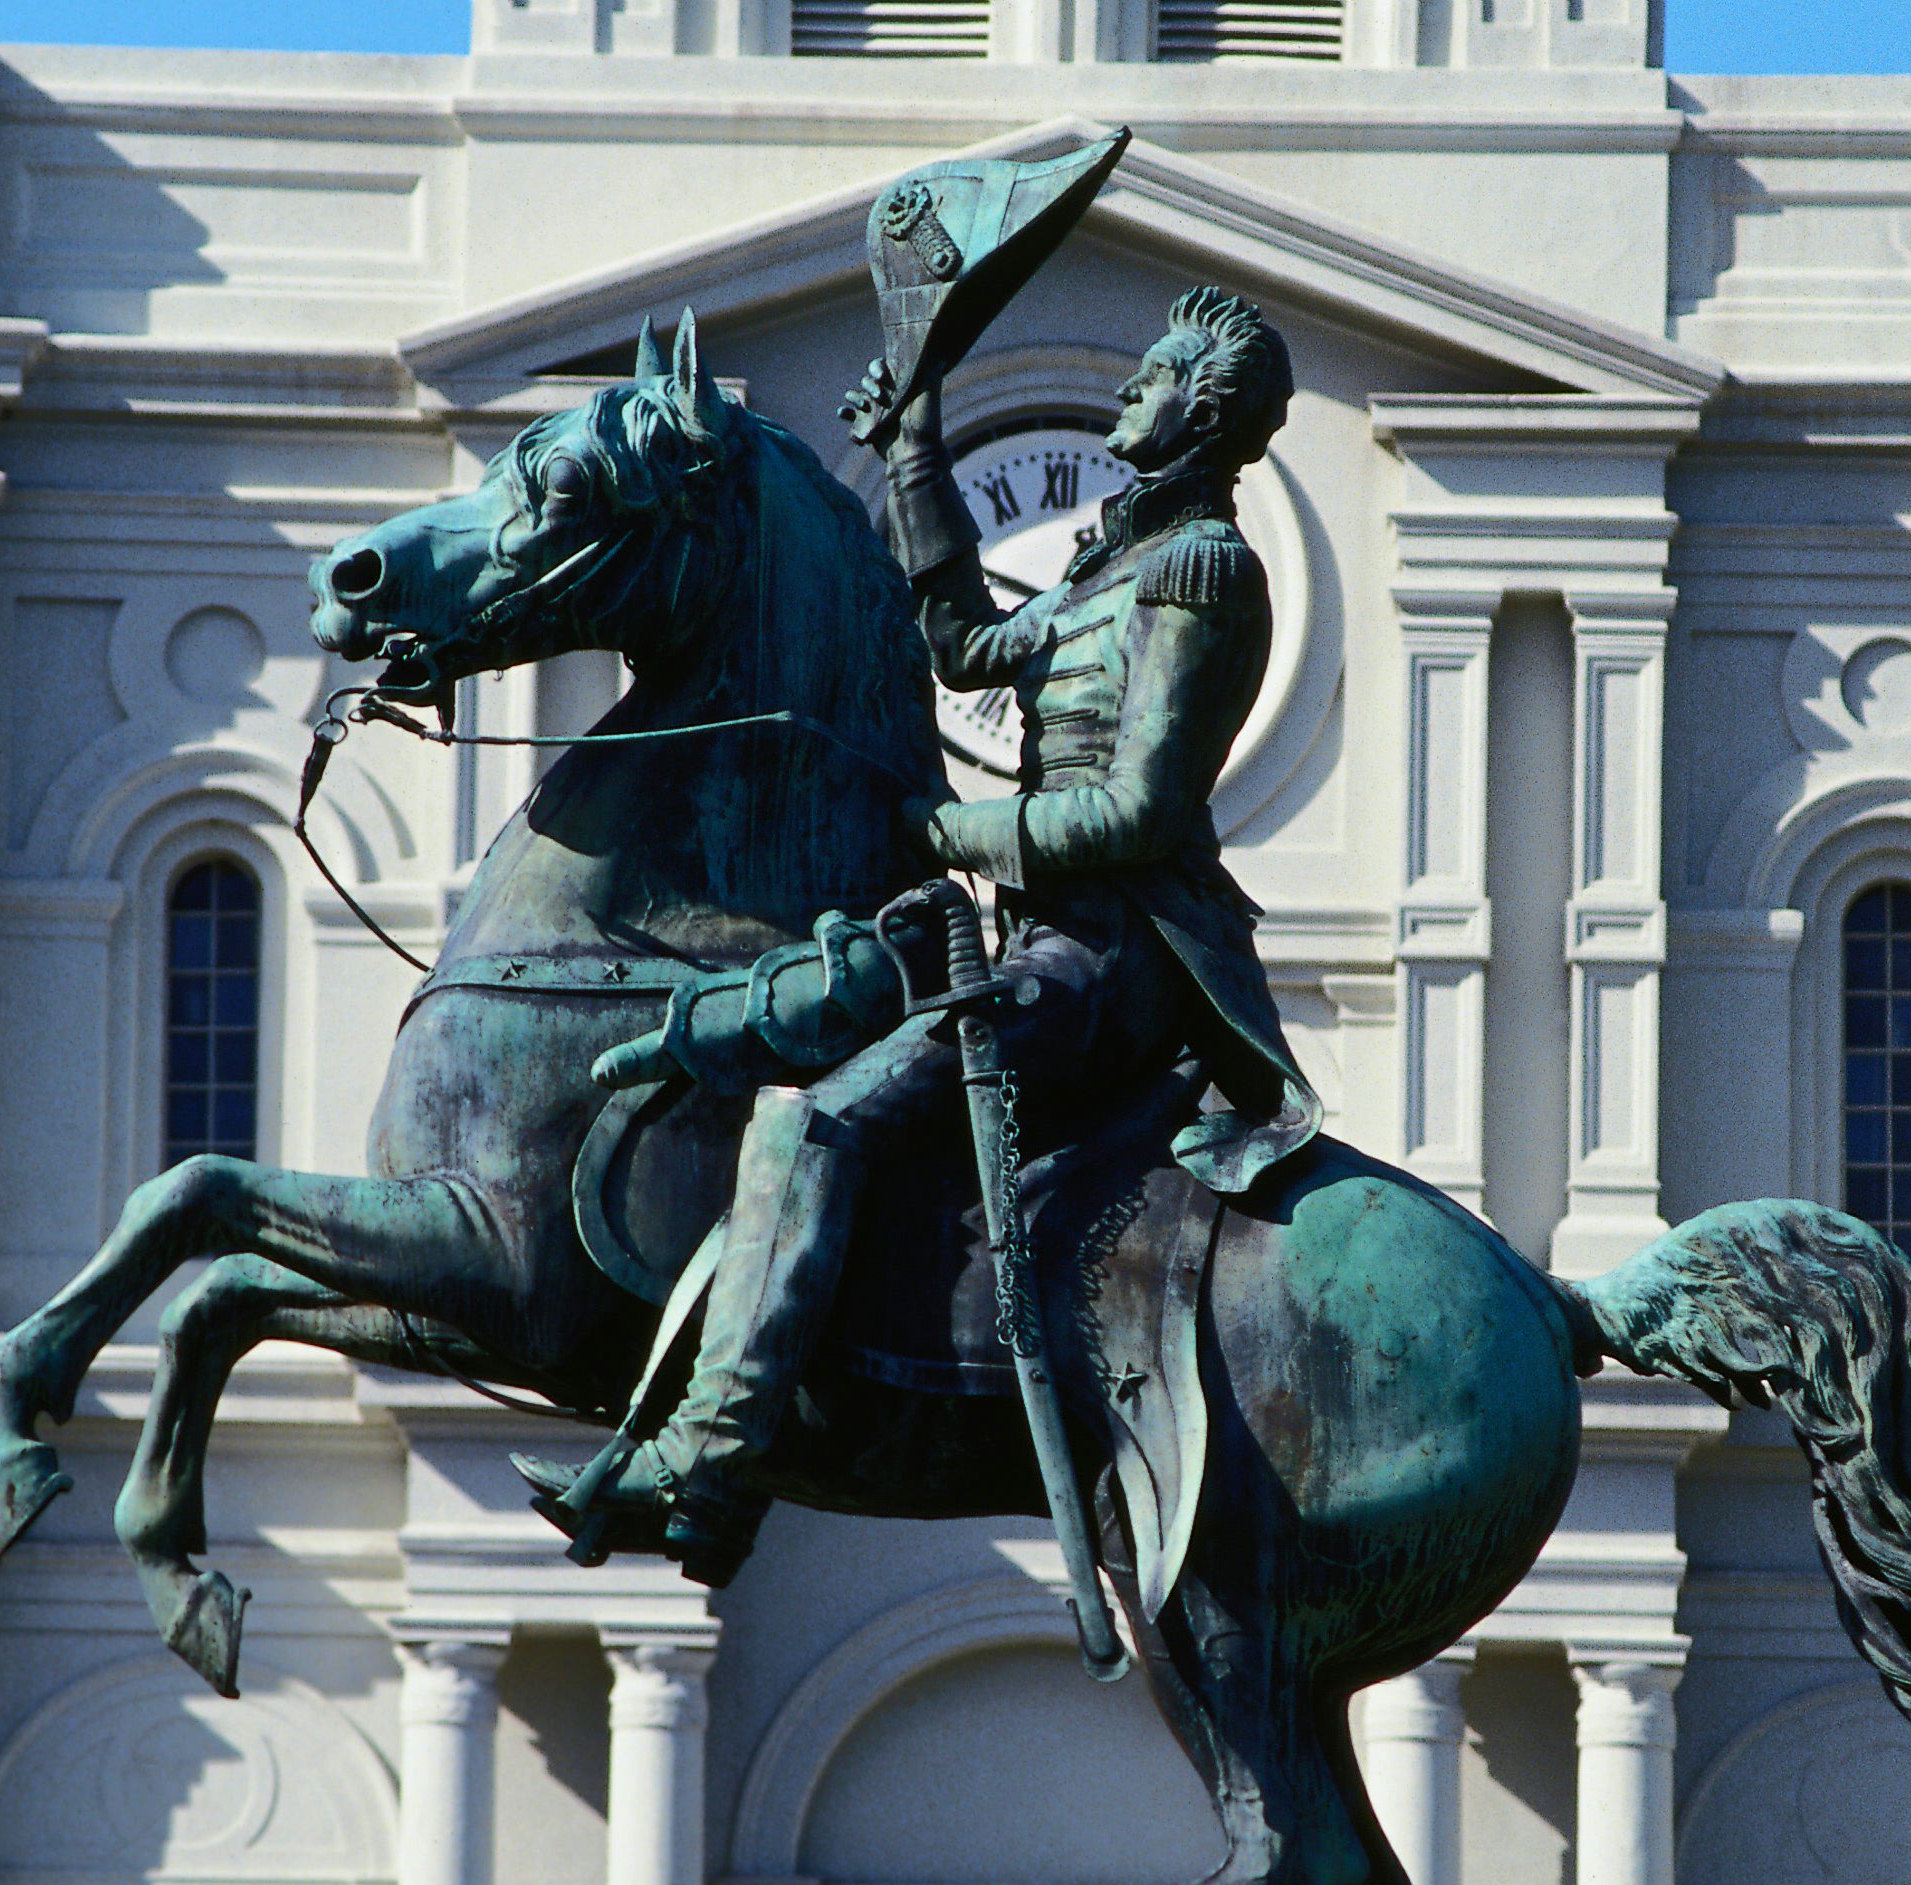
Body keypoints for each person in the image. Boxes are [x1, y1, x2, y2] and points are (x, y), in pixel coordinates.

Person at [519, 286, 1321, 1586]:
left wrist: (945, 835)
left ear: (1208, 410)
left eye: (1158, 370)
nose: (1132, 383)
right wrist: (914, 448)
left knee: (819, 1117)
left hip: (1112, 961)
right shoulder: (1114, 556)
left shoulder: (1201, 570)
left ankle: (713, 1460)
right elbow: (959, 643)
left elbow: (1139, 810)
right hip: (1043, 940)